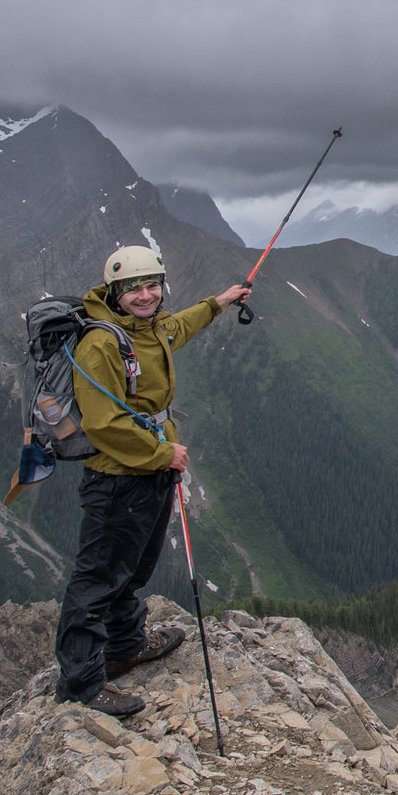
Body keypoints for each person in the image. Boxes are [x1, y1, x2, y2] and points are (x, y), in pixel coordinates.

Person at [56, 244, 251, 716]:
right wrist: (164, 452)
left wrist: (221, 301)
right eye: (134, 289)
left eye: (152, 285)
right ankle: (81, 684)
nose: (145, 295)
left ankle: (124, 646)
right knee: (98, 576)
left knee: (134, 566)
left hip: (151, 473)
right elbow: (102, 424)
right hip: (118, 479)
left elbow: (179, 326)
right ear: (115, 292)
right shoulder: (101, 344)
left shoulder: (150, 326)